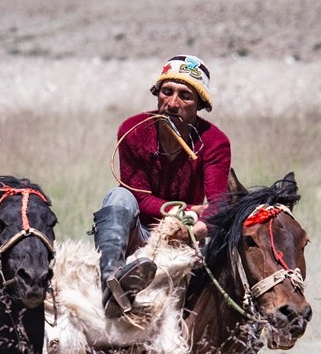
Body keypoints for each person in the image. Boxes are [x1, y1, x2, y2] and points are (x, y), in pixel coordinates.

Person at [94, 54, 232, 318]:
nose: (172, 103)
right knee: (118, 196)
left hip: (185, 239)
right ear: (157, 94)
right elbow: (138, 197)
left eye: (185, 96)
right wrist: (192, 209)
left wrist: (196, 227)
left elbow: (220, 204)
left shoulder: (215, 142)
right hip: (142, 231)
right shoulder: (133, 130)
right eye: (166, 92)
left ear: (200, 104)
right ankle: (111, 283)